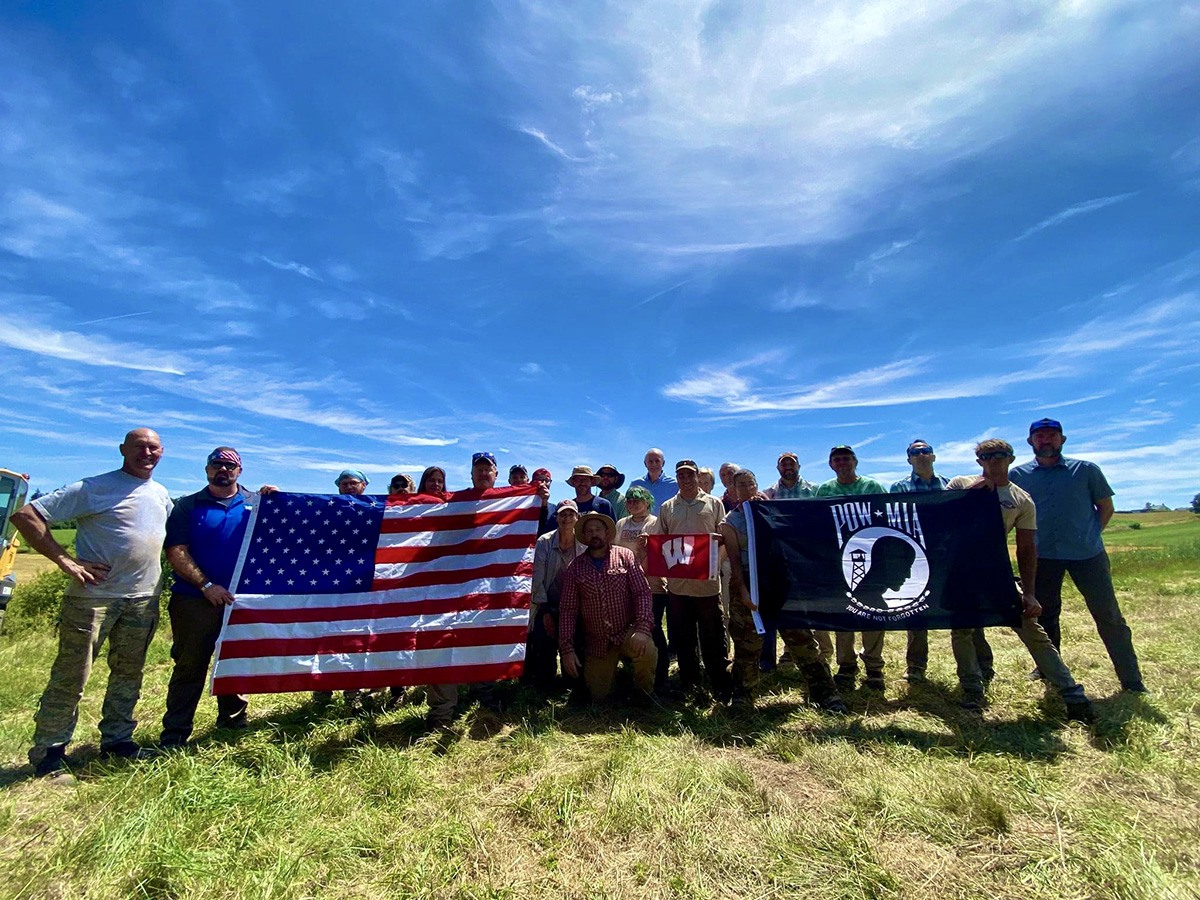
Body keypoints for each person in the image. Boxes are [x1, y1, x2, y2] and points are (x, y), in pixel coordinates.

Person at [12, 428, 173, 780]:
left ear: (162, 452)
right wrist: (66, 561)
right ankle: (49, 752)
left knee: (129, 674)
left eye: (154, 447)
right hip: (93, 600)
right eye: (139, 447)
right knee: (73, 675)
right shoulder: (93, 487)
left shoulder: (160, 494)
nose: (147, 453)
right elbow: (26, 516)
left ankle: (118, 741)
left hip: (143, 599)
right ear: (122, 450)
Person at [947, 439, 1096, 721]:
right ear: (978, 460)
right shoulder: (959, 484)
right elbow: (940, 518)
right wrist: (972, 493)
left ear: (1011, 459)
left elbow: (1027, 548)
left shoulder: (1021, 499)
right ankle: (972, 690)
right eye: (986, 456)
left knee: (1031, 628)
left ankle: (1070, 692)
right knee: (962, 631)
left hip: (996, 573)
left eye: (999, 455)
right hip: (961, 572)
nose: (993, 460)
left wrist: (1030, 593)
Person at [1010, 419, 1146, 692]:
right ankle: (1049, 670)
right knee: (1044, 615)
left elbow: (1105, 507)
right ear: (1030, 442)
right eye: (1039, 436)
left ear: (1062, 440)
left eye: (1051, 435)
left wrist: (1090, 534)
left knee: (1108, 615)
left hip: (1087, 555)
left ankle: (1131, 680)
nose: (1045, 440)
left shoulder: (1086, 470)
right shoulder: (1018, 476)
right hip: (1042, 556)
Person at [425, 452, 550, 726]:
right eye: (478, 469)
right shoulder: (456, 502)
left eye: (488, 469)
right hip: (451, 587)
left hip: (489, 587)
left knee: (484, 636)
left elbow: (532, 530)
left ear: (496, 474)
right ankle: (442, 710)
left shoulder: (509, 501)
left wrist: (538, 501)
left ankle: (485, 693)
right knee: (443, 641)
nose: (483, 473)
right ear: (471, 474)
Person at [721, 469, 848, 713]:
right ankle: (743, 696)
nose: (747, 489)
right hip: (749, 583)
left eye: (750, 484)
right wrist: (744, 591)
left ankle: (825, 693)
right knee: (747, 643)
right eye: (741, 486)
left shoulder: (776, 510)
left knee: (801, 638)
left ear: (757, 485)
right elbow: (735, 563)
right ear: (733, 491)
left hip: (781, 583)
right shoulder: (730, 521)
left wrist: (770, 510)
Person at [159, 447, 259, 747]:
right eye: (217, 465)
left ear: (239, 471)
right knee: (190, 665)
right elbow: (176, 552)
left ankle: (233, 722)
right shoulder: (187, 506)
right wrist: (206, 585)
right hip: (194, 600)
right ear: (207, 470)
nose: (223, 470)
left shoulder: (255, 504)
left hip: (241, 600)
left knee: (234, 663)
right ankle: (175, 735)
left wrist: (275, 499)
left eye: (230, 466)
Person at [888, 440, 991, 685]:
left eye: (925, 451)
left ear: (933, 457)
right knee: (915, 611)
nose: (921, 455)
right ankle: (916, 666)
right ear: (909, 459)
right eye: (915, 452)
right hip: (918, 557)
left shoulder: (951, 485)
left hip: (952, 556)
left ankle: (982, 664)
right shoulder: (898, 487)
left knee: (966, 610)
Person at [648, 459, 731, 702]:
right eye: (681, 476)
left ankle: (718, 681)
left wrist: (713, 565)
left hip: (706, 584)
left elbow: (724, 538)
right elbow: (661, 541)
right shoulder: (667, 507)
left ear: (697, 477)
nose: (685, 480)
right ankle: (690, 682)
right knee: (683, 636)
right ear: (677, 478)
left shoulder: (714, 504)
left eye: (689, 475)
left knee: (712, 634)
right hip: (678, 586)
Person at [558, 512, 657, 703]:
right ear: (584, 537)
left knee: (647, 652)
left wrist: (643, 629)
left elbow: (642, 593)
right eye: (589, 531)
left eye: (598, 530)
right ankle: (619, 681)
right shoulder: (575, 567)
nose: (594, 534)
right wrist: (566, 650)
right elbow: (568, 611)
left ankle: (644, 695)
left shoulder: (625, 556)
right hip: (598, 640)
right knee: (599, 697)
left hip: (627, 631)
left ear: (606, 533)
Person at [816, 445, 889, 690]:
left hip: (873, 559)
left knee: (873, 612)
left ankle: (874, 667)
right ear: (831, 465)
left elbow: (887, 519)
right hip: (839, 561)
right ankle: (846, 666)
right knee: (844, 615)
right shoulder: (825, 490)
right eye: (837, 459)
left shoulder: (873, 487)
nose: (842, 462)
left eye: (846, 458)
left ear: (855, 461)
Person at [614, 485, 669, 693]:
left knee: (653, 631)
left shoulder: (655, 523)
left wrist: (649, 548)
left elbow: (663, 552)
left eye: (637, 500)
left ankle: (661, 677)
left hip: (652, 586)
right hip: (625, 586)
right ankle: (634, 671)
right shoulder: (621, 524)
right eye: (629, 500)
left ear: (647, 502)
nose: (633, 503)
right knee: (630, 630)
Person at [526, 500, 584, 691]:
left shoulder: (583, 543)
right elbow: (536, 579)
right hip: (547, 604)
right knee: (544, 642)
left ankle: (571, 682)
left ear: (577, 518)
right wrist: (545, 611)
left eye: (570, 515)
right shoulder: (544, 542)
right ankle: (545, 683)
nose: (567, 519)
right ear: (556, 517)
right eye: (562, 515)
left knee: (577, 650)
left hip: (576, 608)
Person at [629, 448, 678, 512]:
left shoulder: (675, 484)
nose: (654, 464)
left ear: (663, 463)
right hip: (642, 522)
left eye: (657, 461)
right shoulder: (636, 484)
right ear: (645, 464)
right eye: (650, 461)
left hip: (667, 522)